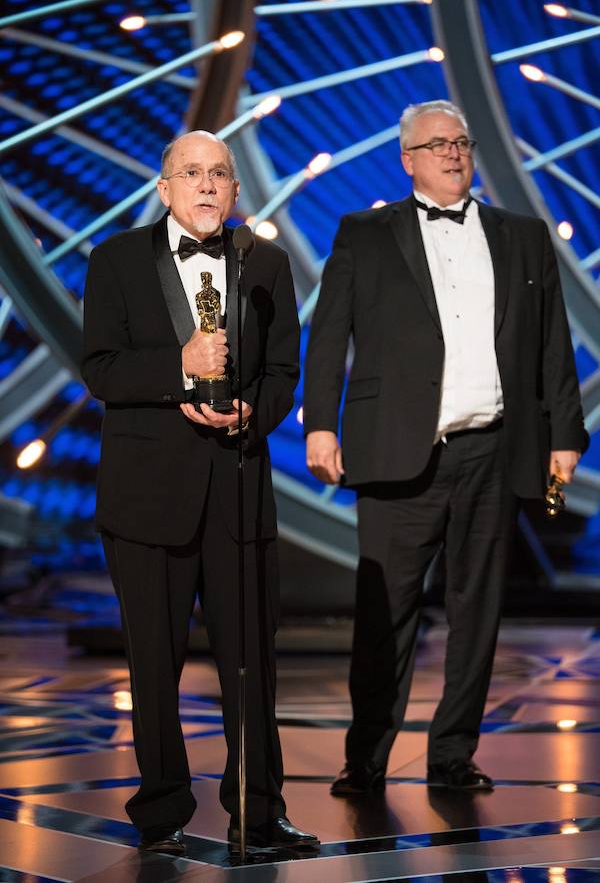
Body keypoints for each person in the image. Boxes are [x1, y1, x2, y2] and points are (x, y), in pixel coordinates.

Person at [303, 100, 588, 796]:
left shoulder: (522, 236)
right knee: (384, 615)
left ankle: (453, 755)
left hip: (493, 450)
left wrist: (565, 436)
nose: (455, 154)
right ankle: (365, 758)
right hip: (397, 449)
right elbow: (329, 334)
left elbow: (553, 342)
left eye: (461, 142)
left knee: (477, 610)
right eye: (438, 145)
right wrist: (319, 423)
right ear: (408, 160)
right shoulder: (363, 233)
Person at [82, 130, 318, 854]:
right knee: (154, 664)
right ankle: (160, 813)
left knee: (252, 662)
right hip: (145, 496)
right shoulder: (115, 260)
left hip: (238, 488)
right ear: (164, 188)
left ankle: (258, 809)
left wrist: (256, 413)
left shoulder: (266, 264)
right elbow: (101, 369)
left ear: (238, 192)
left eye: (220, 173)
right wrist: (179, 370)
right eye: (192, 173)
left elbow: (283, 372)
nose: (208, 185)